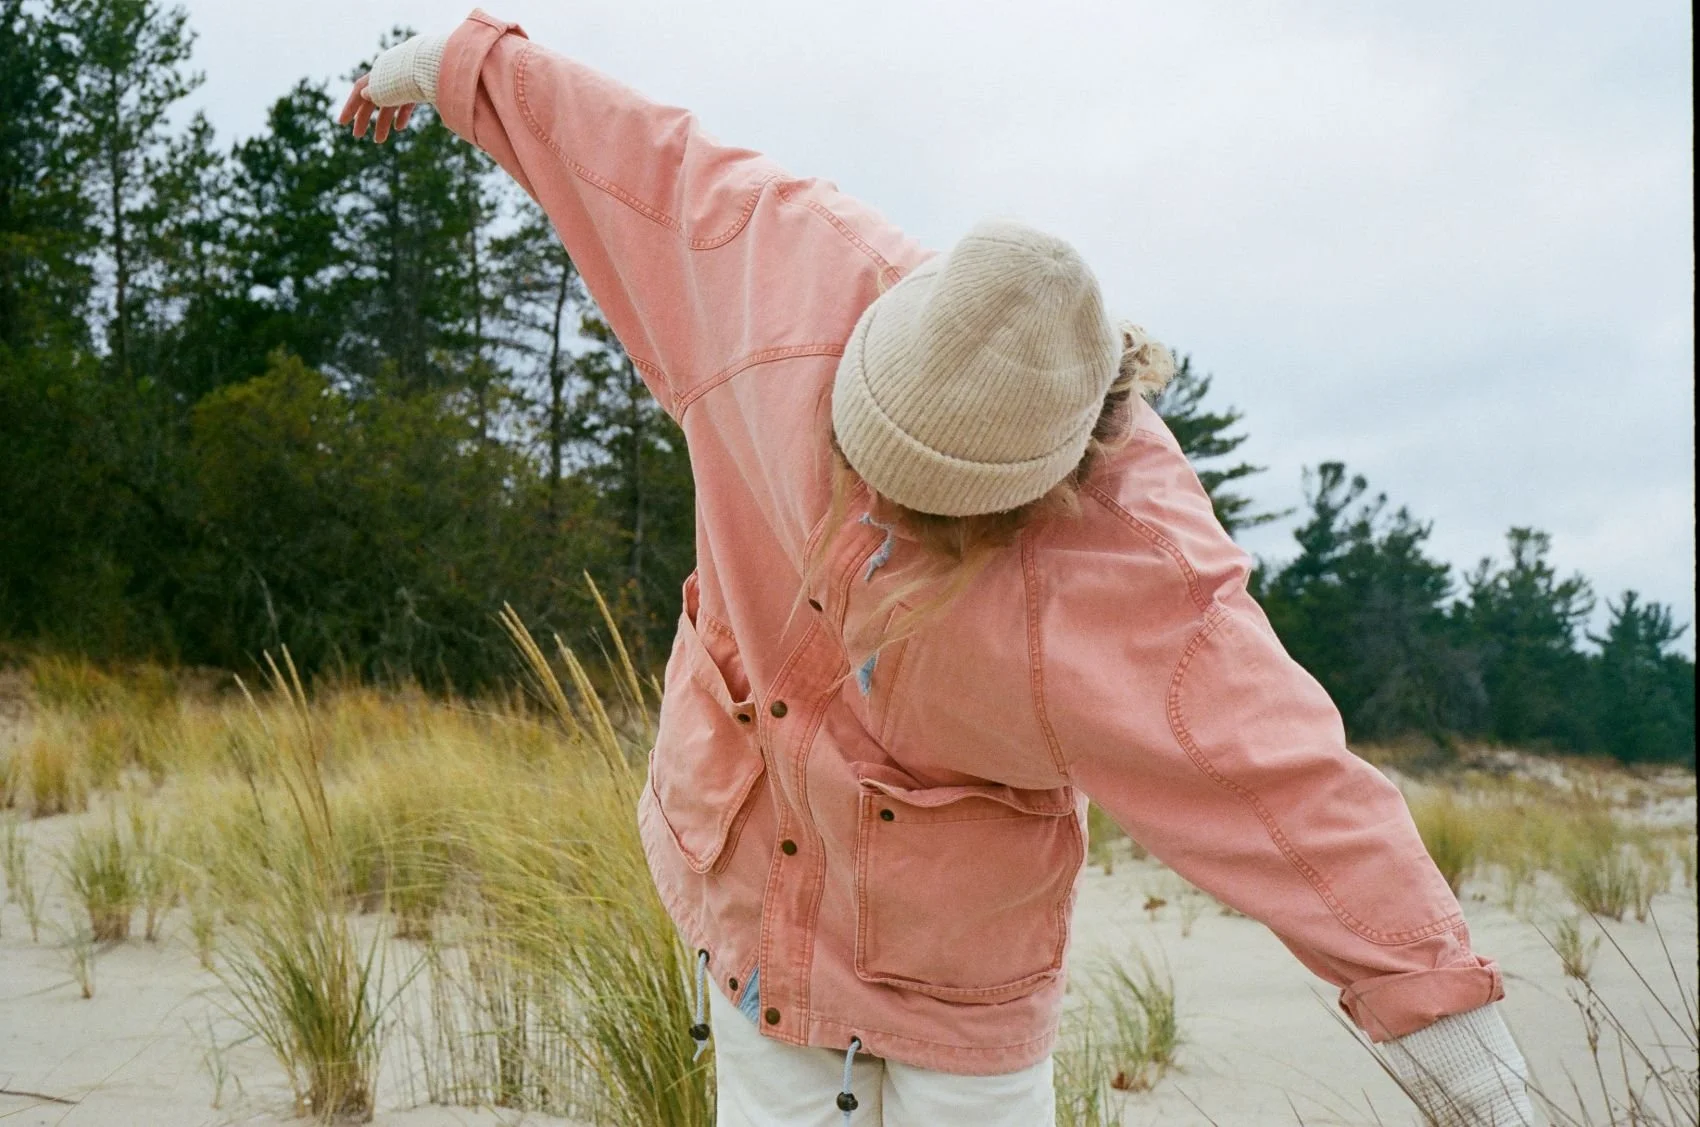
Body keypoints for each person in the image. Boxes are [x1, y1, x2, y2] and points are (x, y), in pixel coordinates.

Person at [341, 10, 1535, 1125]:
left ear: (1042, 485)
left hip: (958, 972)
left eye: (932, 508)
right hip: (752, 882)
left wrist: (1460, 1048)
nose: (878, 515)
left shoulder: (1138, 567)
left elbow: (1290, 788)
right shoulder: (782, 274)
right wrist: (452, 62)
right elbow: (632, 158)